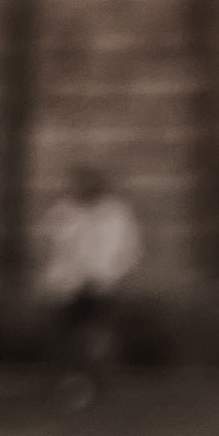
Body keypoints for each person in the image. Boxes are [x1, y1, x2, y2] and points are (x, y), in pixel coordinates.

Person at [36, 167, 143, 398]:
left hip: (102, 283)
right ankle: (73, 380)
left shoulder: (115, 214)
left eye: (87, 184)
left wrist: (113, 274)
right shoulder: (63, 212)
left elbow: (129, 249)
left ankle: (101, 380)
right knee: (69, 334)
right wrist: (56, 276)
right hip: (69, 284)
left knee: (99, 333)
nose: (82, 189)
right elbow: (52, 247)